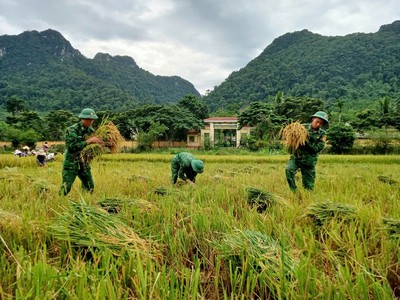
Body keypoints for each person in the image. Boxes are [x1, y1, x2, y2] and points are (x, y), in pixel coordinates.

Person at [60, 108, 104, 196]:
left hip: (84, 162)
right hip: (72, 163)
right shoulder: (72, 130)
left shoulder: (91, 131)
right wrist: (89, 141)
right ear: (82, 118)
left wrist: (100, 144)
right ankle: (59, 201)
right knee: (66, 187)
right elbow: (72, 146)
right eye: (88, 119)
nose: (90, 121)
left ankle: (84, 203)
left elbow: (92, 145)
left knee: (89, 186)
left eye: (92, 119)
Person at [285, 111, 329, 192]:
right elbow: (292, 139)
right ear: (313, 119)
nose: (318, 124)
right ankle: (294, 191)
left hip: (309, 162)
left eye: (321, 123)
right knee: (289, 169)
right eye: (317, 122)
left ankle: (307, 198)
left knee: (308, 187)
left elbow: (317, 148)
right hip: (297, 158)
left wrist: (305, 141)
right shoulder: (301, 128)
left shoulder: (322, 134)